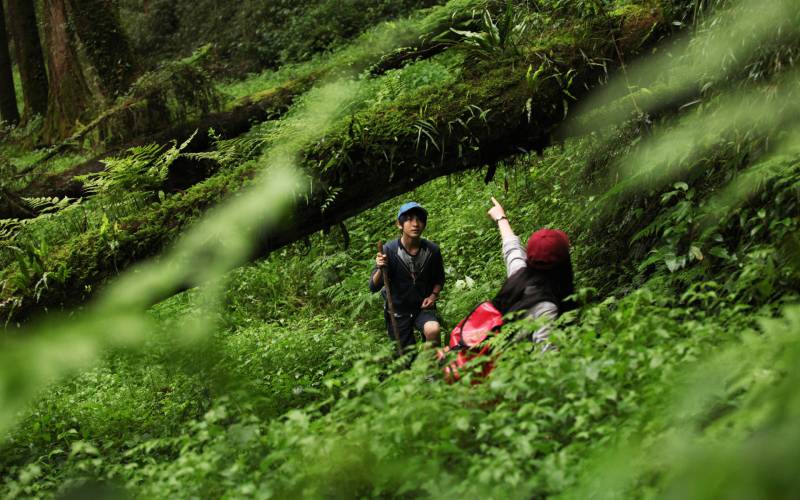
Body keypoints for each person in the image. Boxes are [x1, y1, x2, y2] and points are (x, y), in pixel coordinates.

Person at [487, 197, 575, 346]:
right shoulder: (547, 308)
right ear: (562, 264)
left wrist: (500, 217)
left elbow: (512, 249)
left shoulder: (519, 276)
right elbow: (547, 356)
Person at [370, 201, 445, 349]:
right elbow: (373, 286)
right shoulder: (389, 250)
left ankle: (432, 368)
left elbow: (439, 279)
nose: (415, 224)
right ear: (399, 224)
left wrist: (433, 296)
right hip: (397, 311)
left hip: (422, 308)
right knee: (406, 358)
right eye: (409, 219)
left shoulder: (432, 250)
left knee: (433, 330)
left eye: (419, 220)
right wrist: (380, 267)